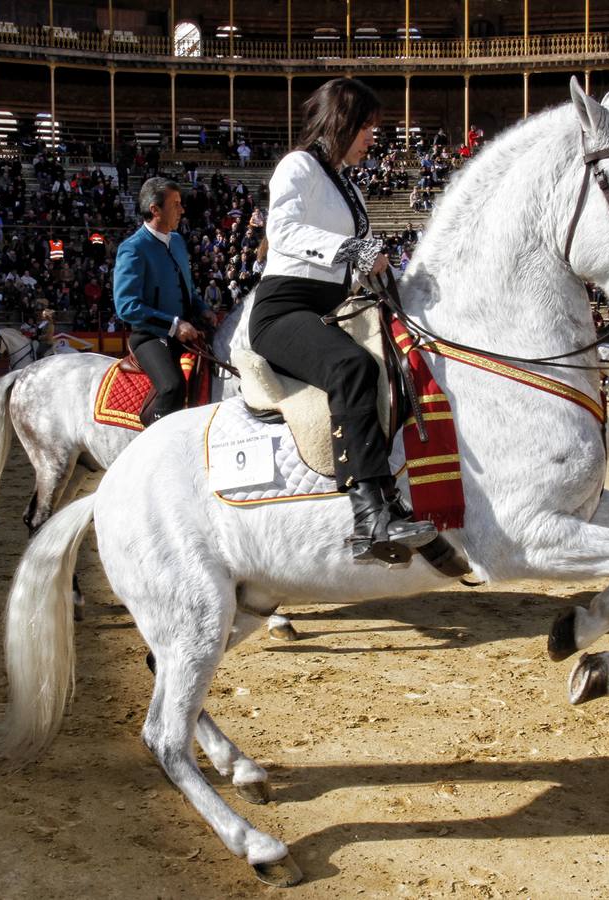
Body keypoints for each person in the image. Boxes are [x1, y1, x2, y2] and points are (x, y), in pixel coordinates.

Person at [249, 77, 437, 563]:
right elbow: (284, 230)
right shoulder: (299, 166)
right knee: (352, 368)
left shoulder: (346, 184)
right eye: (367, 128)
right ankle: (369, 518)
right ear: (344, 122)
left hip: (328, 307)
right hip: (282, 310)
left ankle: (388, 500)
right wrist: (355, 248)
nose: (373, 138)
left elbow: (353, 264)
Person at [112, 176, 216, 425]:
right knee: (171, 385)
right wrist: (174, 325)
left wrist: (203, 309)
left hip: (186, 328)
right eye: (176, 204)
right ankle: (151, 442)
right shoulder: (133, 248)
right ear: (155, 209)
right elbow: (126, 306)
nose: (182, 210)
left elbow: (187, 288)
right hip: (150, 336)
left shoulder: (178, 241)